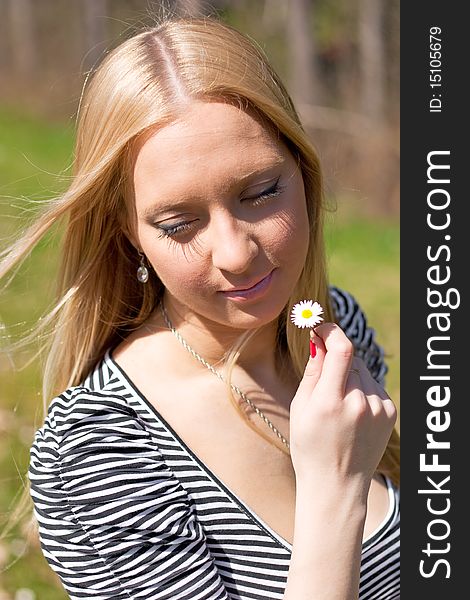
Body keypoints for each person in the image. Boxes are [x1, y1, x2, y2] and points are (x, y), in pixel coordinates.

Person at [3, 16, 399, 600]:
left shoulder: (336, 332)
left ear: (306, 174)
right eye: (179, 223)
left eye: (262, 193)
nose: (237, 255)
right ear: (130, 231)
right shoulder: (98, 454)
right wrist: (335, 493)